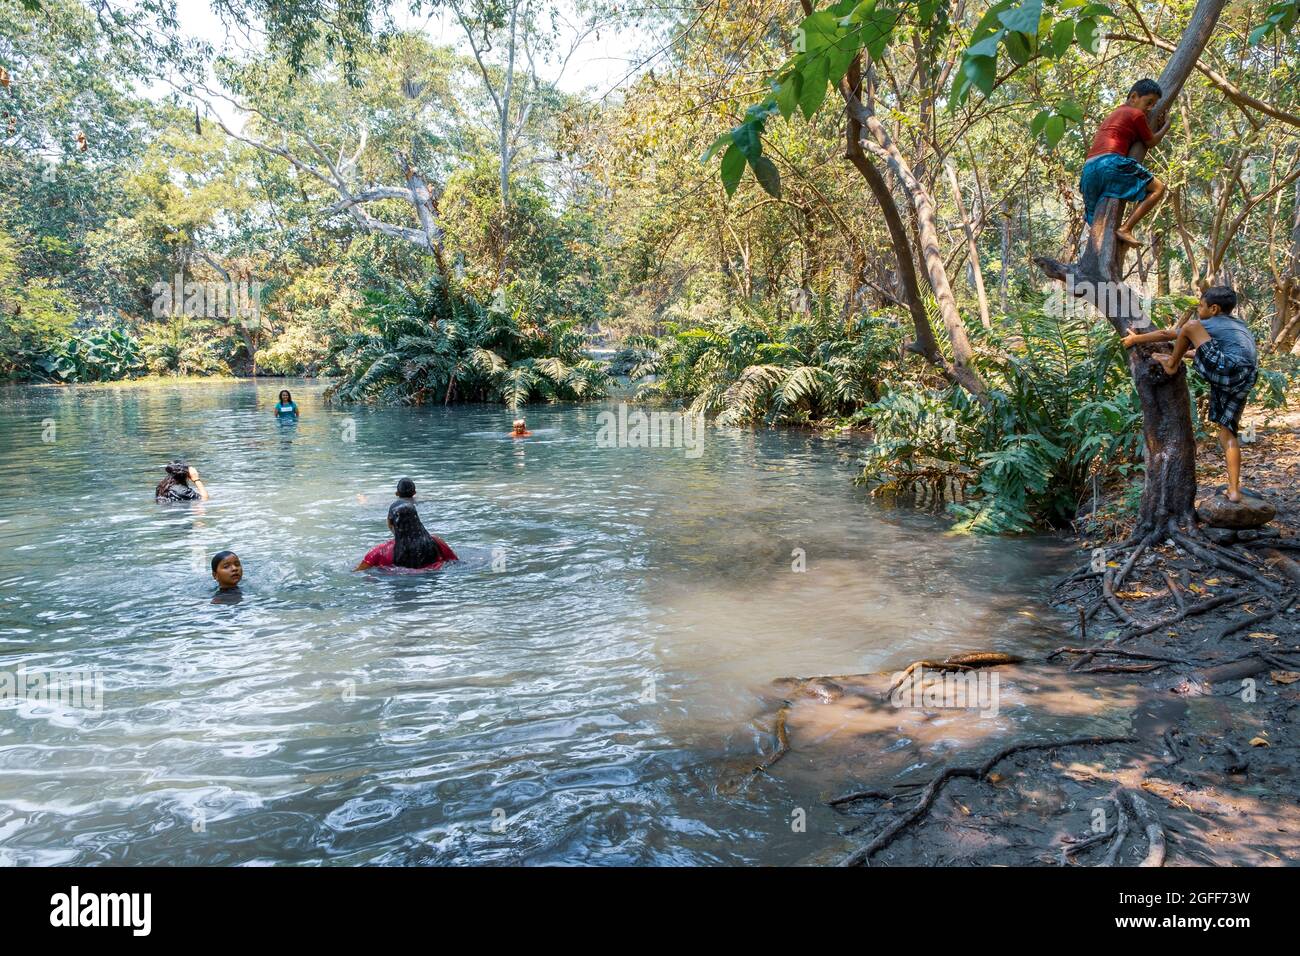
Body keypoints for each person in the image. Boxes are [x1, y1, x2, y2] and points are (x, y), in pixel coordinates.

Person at [1122, 285, 1258, 502]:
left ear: (1213, 308)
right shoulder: (1237, 325)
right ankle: (1234, 490)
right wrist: (1182, 354)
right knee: (1227, 433)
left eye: (1201, 306)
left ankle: (1171, 365)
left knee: (1189, 326)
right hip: (1245, 378)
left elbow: (1172, 333)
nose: (1199, 310)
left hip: (1230, 370)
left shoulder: (1207, 323)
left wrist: (1135, 340)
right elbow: (1204, 352)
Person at [1079, 78, 1171, 246]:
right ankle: (1126, 228)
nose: (1150, 108)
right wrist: (1166, 126)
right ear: (1134, 96)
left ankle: (1084, 261)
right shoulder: (1136, 114)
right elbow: (1150, 142)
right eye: (1148, 103)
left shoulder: (1115, 114)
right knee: (1159, 188)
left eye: (1153, 105)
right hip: (1110, 163)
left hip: (1088, 171)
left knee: (1095, 225)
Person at [354, 500, 458, 571]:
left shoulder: (380, 552)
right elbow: (456, 564)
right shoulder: (436, 543)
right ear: (417, 520)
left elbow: (358, 573)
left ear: (390, 522)